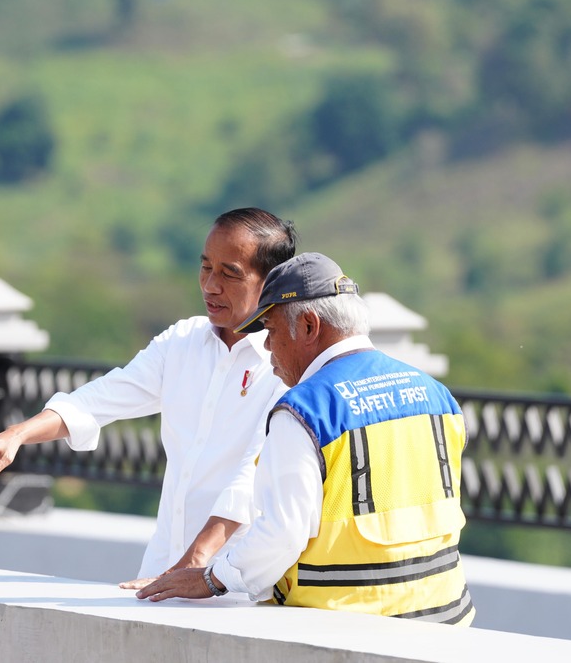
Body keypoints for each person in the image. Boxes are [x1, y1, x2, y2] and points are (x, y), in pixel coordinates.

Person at [0, 208, 298, 583]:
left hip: (234, 579)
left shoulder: (285, 364)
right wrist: (17, 434)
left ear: (271, 282)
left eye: (230, 273)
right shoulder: (182, 341)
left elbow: (249, 480)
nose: (210, 285)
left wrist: (193, 564)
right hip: (162, 568)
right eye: (205, 267)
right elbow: (101, 397)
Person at [136, 252, 476, 626]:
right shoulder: (436, 394)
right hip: (445, 617)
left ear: (310, 326)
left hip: (348, 628)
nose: (266, 348)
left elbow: (282, 534)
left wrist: (211, 579)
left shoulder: (304, 411)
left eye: (272, 330)